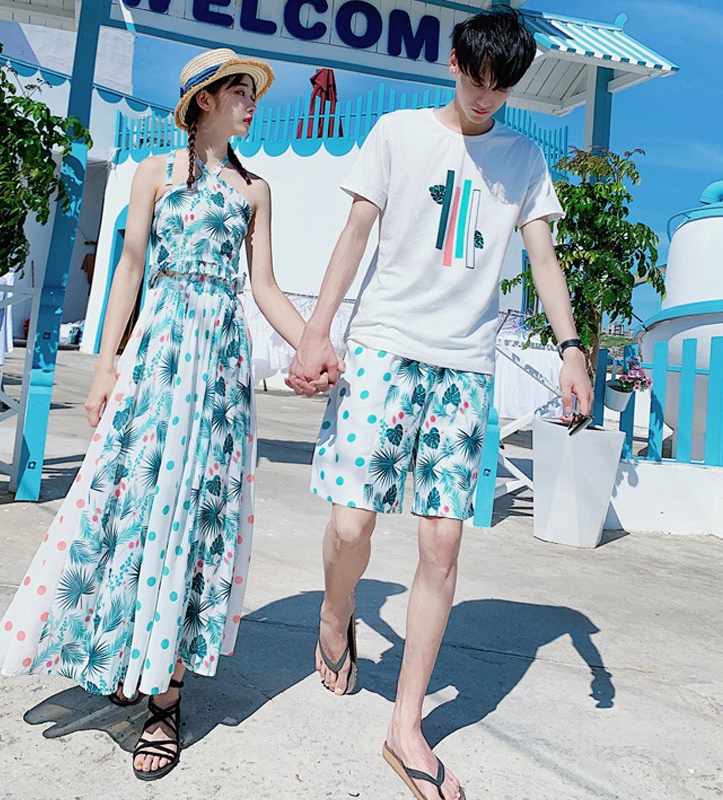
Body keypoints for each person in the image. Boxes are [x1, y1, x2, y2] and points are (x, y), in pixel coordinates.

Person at [0, 48, 324, 781]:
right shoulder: (154, 176)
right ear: (203, 100)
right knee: (134, 504)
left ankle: (166, 700)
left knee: (193, 516)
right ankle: (123, 650)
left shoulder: (255, 190)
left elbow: (263, 287)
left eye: (249, 92)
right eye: (238, 91)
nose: (250, 102)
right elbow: (131, 268)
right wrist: (106, 363)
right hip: (160, 354)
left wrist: (316, 348)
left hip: (220, 367)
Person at [287, 9, 593, 800]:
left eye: (503, 86)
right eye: (476, 78)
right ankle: (335, 611)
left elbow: (544, 259)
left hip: (464, 368)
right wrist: (317, 332)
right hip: (384, 347)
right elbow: (353, 236)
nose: (486, 96)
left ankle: (406, 725)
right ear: (455, 62)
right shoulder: (396, 134)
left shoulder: (525, 160)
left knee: (441, 546)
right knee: (351, 523)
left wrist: (570, 349)